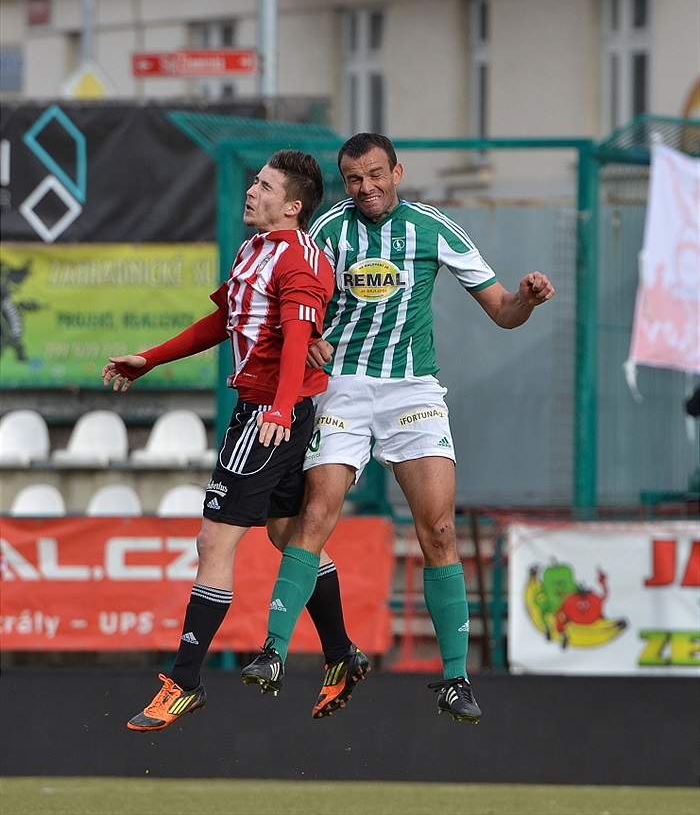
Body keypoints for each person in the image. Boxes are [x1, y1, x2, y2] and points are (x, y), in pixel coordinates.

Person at [241, 132, 555, 724]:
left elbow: (504, 312)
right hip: (343, 388)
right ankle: (273, 653)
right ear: (345, 180)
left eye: (376, 175)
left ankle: (456, 680)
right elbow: (292, 305)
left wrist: (529, 299)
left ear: (397, 172)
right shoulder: (327, 231)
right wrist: (307, 341)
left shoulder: (433, 227)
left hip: (413, 390)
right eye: (355, 178)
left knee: (438, 528)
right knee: (314, 516)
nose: (367, 188)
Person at [102, 149, 370, 731]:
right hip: (273, 410)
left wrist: (276, 408)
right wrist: (150, 359)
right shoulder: (255, 251)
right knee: (285, 534)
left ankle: (184, 681)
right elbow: (221, 323)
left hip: (271, 415)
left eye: (266, 186)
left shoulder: (299, 261)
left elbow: (299, 338)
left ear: (292, 206)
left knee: (213, 542)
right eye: (254, 181)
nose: (252, 191)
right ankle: (342, 652)